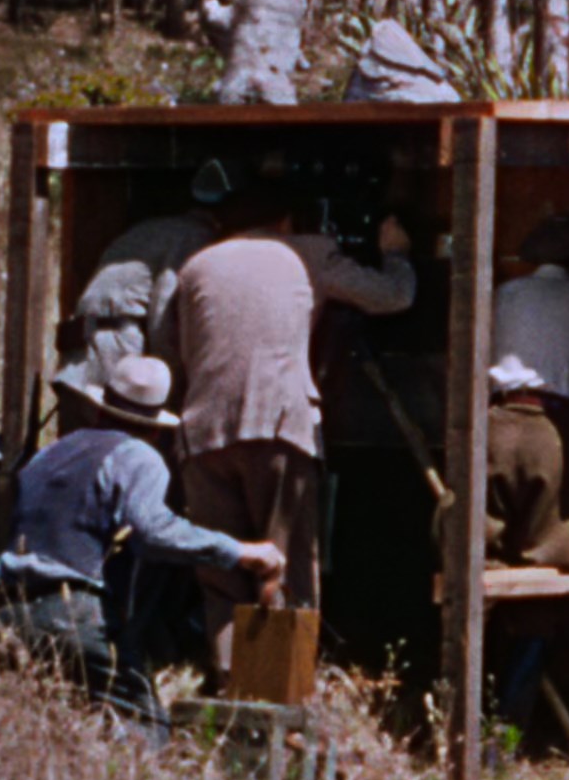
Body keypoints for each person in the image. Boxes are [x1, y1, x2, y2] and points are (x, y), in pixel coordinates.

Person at [173, 196, 417, 677]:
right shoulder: (306, 251)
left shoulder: (196, 265)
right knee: (284, 566)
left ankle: (230, 697)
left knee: (222, 573)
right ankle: (277, 697)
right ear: (284, 218)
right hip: (277, 423)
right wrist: (397, 253)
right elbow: (393, 297)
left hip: (201, 432)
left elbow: (182, 351)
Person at [0, 354, 285, 729]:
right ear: (156, 430)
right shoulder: (140, 456)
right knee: (145, 728)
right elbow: (154, 532)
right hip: (70, 611)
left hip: (5, 609)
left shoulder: (52, 452)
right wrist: (239, 551)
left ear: (99, 411)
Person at [57, 159, 239, 400]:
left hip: (88, 345)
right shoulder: (195, 238)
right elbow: (163, 315)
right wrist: (172, 379)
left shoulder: (155, 229)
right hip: (117, 348)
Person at [485, 213, 569, 569]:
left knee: (481, 548)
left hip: (495, 423)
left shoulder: (504, 294)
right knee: (552, 555)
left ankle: (479, 623)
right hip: (554, 431)